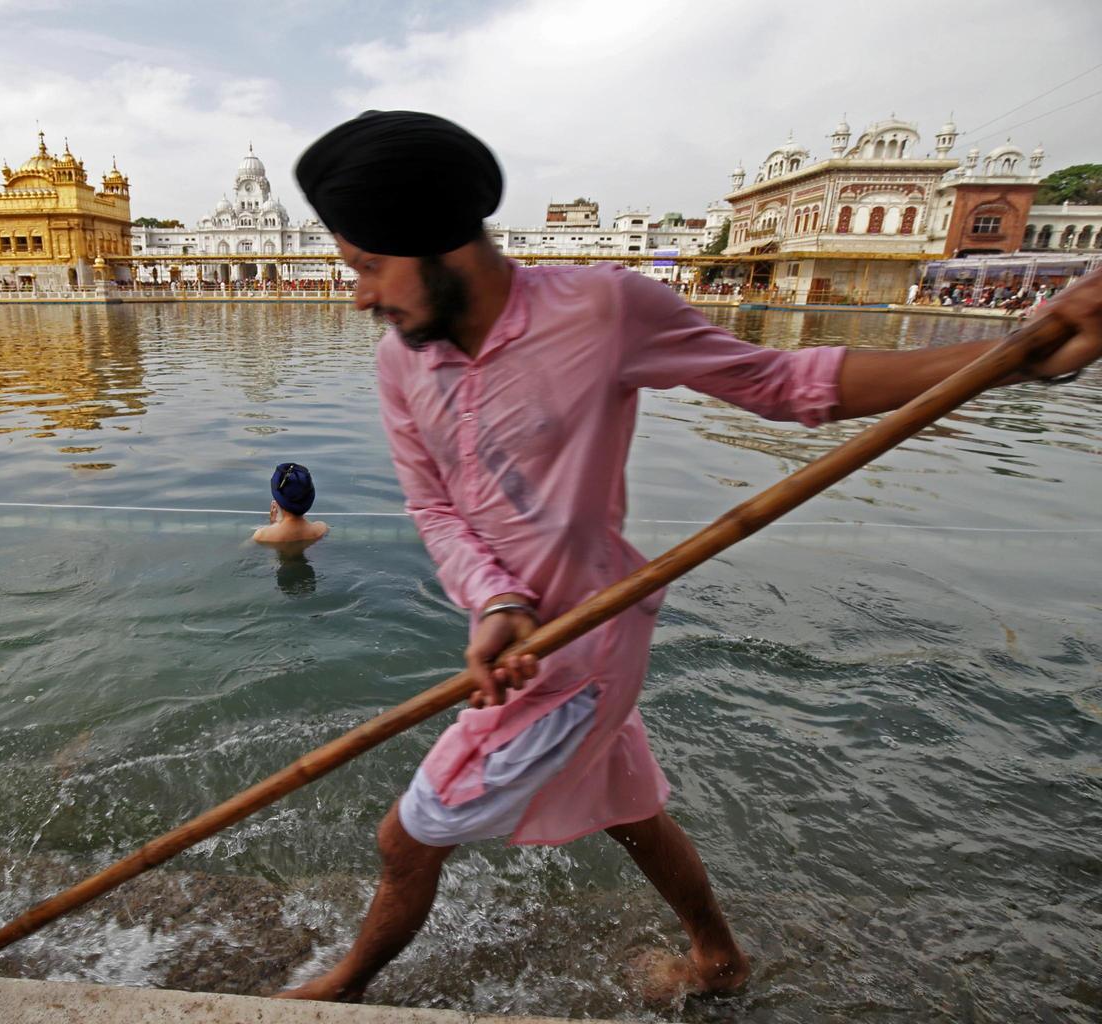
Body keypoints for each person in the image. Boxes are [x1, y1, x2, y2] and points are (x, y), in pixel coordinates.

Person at [278, 109, 1102, 1007]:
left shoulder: (602, 307)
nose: (359, 295)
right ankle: (720, 958)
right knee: (632, 812)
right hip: (519, 640)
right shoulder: (403, 364)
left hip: (588, 645)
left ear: (437, 240)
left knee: (407, 842)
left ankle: (341, 991)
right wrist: (495, 600)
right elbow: (435, 506)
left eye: (366, 265)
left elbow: (784, 386)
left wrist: (1021, 359)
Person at [251, 462, 329, 549]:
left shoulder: (262, 535)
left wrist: (273, 526)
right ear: (310, 499)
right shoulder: (321, 529)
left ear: (277, 501)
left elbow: (243, 548)